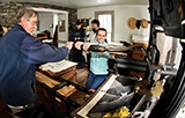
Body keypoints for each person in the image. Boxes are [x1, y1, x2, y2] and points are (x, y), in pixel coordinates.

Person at [0, 7, 73, 114]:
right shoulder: (24, 39)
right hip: (19, 94)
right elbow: (49, 53)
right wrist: (66, 49)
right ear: (24, 20)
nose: (35, 27)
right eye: (34, 23)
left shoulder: (8, 36)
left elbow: (20, 57)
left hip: (7, 89)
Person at [75, 28, 110, 97]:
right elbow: (78, 46)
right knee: (87, 87)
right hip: (92, 72)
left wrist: (90, 46)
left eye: (103, 36)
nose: (101, 37)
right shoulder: (93, 44)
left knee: (91, 91)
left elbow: (100, 52)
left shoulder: (107, 47)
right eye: (99, 35)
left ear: (105, 37)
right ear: (96, 35)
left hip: (101, 73)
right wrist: (81, 44)